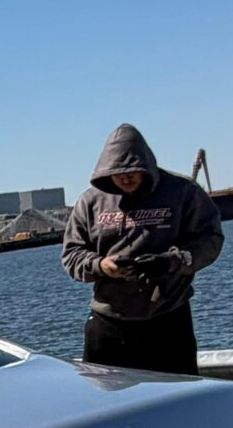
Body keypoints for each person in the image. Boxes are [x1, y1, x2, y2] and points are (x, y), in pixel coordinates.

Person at [61, 123, 224, 373]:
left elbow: (210, 240)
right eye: (118, 173)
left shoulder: (182, 192)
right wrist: (102, 266)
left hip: (168, 318)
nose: (126, 178)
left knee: (177, 398)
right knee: (106, 400)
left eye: (133, 172)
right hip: (108, 322)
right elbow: (72, 255)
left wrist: (170, 262)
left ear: (146, 166)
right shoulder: (90, 202)